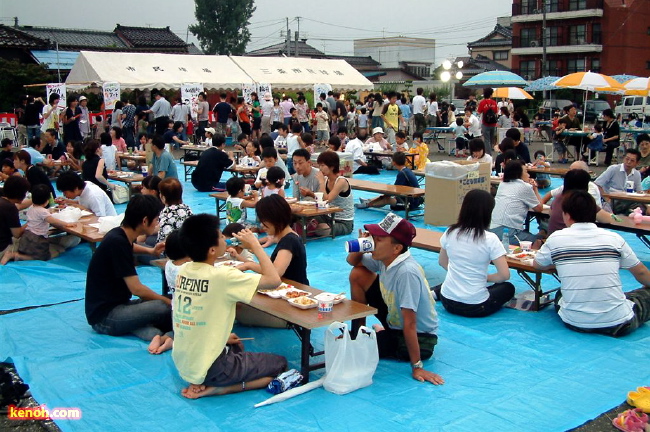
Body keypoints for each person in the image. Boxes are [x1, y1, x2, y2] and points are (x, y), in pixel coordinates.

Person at [173, 214, 286, 399]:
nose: (224, 239)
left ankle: (205, 378)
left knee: (236, 345)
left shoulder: (184, 270)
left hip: (185, 362)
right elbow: (274, 280)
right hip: (212, 368)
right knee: (280, 363)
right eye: (220, 236)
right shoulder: (222, 277)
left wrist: (223, 336)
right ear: (211, 250)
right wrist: (256, 245)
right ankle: (220, 388)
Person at [534, 190, 650, 337]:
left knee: (562, 292)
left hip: (574, 321)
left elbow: (537, 264)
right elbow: (641, 273)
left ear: (567, 215)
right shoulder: (614, 238)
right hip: (618, 324)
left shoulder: (556, 239)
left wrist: (559, 263)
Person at [347, 213, 444, 385]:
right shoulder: (386, 258)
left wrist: (417, 366)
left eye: (379, 239)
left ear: (397, 248)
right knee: (358, 274)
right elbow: (352, 261)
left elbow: (410, 323)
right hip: (395, 317)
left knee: (359, 349)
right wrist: (361, 245)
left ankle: (373, 337)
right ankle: (358, 331)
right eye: (373, 237)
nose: (373, 242)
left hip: (421, 339)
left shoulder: (406, 272)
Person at [85, 195, 171, 343]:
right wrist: (167, 302)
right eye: (156, 219)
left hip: (119, 305)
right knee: (163, 306)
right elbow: (137, 290)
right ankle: (139, 327)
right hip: (105, 316)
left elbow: (129, 246)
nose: (158, 223)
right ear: (145, 221)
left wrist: (151, 251)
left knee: (165, 304)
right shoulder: (117, 242)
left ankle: (140, 326)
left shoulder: (119, 234)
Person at [435, 189, 514, 316]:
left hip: (447, 301)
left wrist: (463, 274)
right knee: (507, 288)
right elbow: (504, 275)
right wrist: (484, 278)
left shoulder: (450, 232)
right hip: (476, 307)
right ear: (488, 212)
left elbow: (442, 262)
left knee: (455, 277)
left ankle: (436, 292)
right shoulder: (490, 238)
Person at [237, 195, 309, 285]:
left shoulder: (290, 240)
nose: (262, 225)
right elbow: (271, 265)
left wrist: (250, 264)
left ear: (275, 218)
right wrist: (252, 249)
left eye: (264, 221)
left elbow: (275, 273)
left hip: (295, 292)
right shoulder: (287, 237)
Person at [1, 184, 79, 265]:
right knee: (42, 256)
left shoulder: (32, 208)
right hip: (37, 239)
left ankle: (17, 254)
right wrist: (67, 224)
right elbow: (53, 221)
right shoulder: (43, 212)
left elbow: (41, 213)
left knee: (30, 251)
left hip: (26, 237)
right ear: (46, 201)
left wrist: (50, 211)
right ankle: (14, 255)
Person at [147, 229, 190, 355]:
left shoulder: (169, 264)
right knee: (190, 334)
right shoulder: (187, 270)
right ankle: (169, 340)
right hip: (191, 313)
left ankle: (162, 338)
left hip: (176, 310)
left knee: (179, 331)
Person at [546, 169, 617, 236]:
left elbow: (550, 213)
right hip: (572, 242)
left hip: (553, 239)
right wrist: (611, 215)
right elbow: (607, 219)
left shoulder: (558, 197)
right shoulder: (582, 201)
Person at [489, 160, 543, 245]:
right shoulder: (524, 187)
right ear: (519, 174)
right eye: (526, 171)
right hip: (508, 231)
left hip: (491, 229)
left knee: (530, 235)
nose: (528, 175)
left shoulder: (503, 184)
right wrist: (535, 189)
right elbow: (539, 208)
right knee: (538, 241)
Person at [355, 152, 422, 211]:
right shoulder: (407, 170)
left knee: (387, 199)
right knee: (385, 195)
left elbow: (394, 191)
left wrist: (384, 195)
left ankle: (368, 204)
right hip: (412, 198)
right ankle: (368, 201)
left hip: (411, 203)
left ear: (394, 162)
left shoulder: (402, 174)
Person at [315, 151, 354, 236]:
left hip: (343, 222)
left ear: (332, 167)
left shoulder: (341, 181)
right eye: (319, 166)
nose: (320, 169)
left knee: (321, 229)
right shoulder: (326, 180)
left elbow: (327, 199)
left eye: (322, 165)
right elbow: (319, 198)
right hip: (329, 217)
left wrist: (321, 182)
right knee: (309, 218)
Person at [595, 148, 643, 215]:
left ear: (637, 163)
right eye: (627, 159)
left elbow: (639, 192)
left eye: (632, 160)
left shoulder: (637, 174)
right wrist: (607, 199)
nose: (628, 162)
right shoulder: (613, 169)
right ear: (623, 158)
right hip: (612, 201)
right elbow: (597, 184)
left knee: (641, 208)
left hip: (627, 201)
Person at [0, 176, 30, 262]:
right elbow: (17, 234)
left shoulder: (3, 202)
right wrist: (30, 222)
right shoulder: (10, 208)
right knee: (39, 249)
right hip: (3, 249)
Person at [157, 177, 193, 244]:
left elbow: (164, 239)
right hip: (188, 247)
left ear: (163, 197)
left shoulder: (165, 214)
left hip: (171, 250)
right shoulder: (187, 208)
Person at [477, 88, 498, 153]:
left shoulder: (482, 102)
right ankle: (490, 151)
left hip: (485, 123)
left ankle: (488, 154)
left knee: (486, 140)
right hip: (493, 124)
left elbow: (479, 112)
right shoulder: (494, 102)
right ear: (490, 95)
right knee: (491, 139)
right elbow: (496, 112)